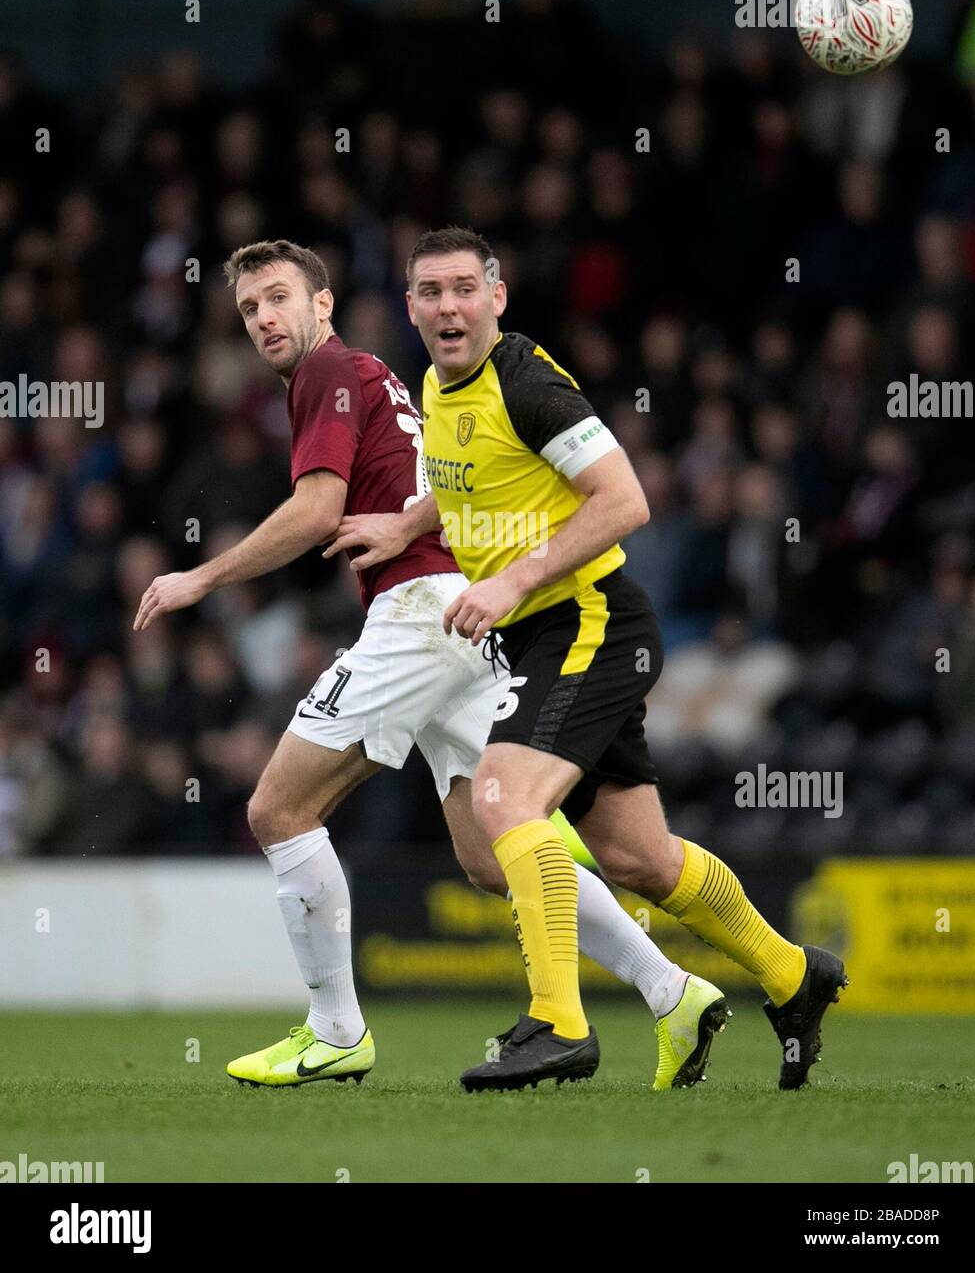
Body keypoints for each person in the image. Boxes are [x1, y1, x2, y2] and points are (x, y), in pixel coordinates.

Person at [133, 238, 725, 1090]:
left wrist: (202, 576)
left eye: (278, 299)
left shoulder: (327, 372)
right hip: (468, 610)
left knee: (277, 809)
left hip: (420, 614)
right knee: (492, 855)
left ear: (322, 305)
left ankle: (335, 1031)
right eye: (249, 308)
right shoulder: (374, 373)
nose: (265, 318)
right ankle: (671, 989)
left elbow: (316, 510)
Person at [326, 226, 846, 1092]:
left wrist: (509, 582)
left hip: (586, 620)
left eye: (464, 288)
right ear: (409, 304)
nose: (448, 306)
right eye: (429, 291)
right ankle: (795, 977)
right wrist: (406, 524)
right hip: (545, 633)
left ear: (498, 295)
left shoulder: (528, 383)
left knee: (502, 797)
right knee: (640, 858)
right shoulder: (438, 382)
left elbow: (626, 499)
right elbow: (468, 481)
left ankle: (558, 1025)